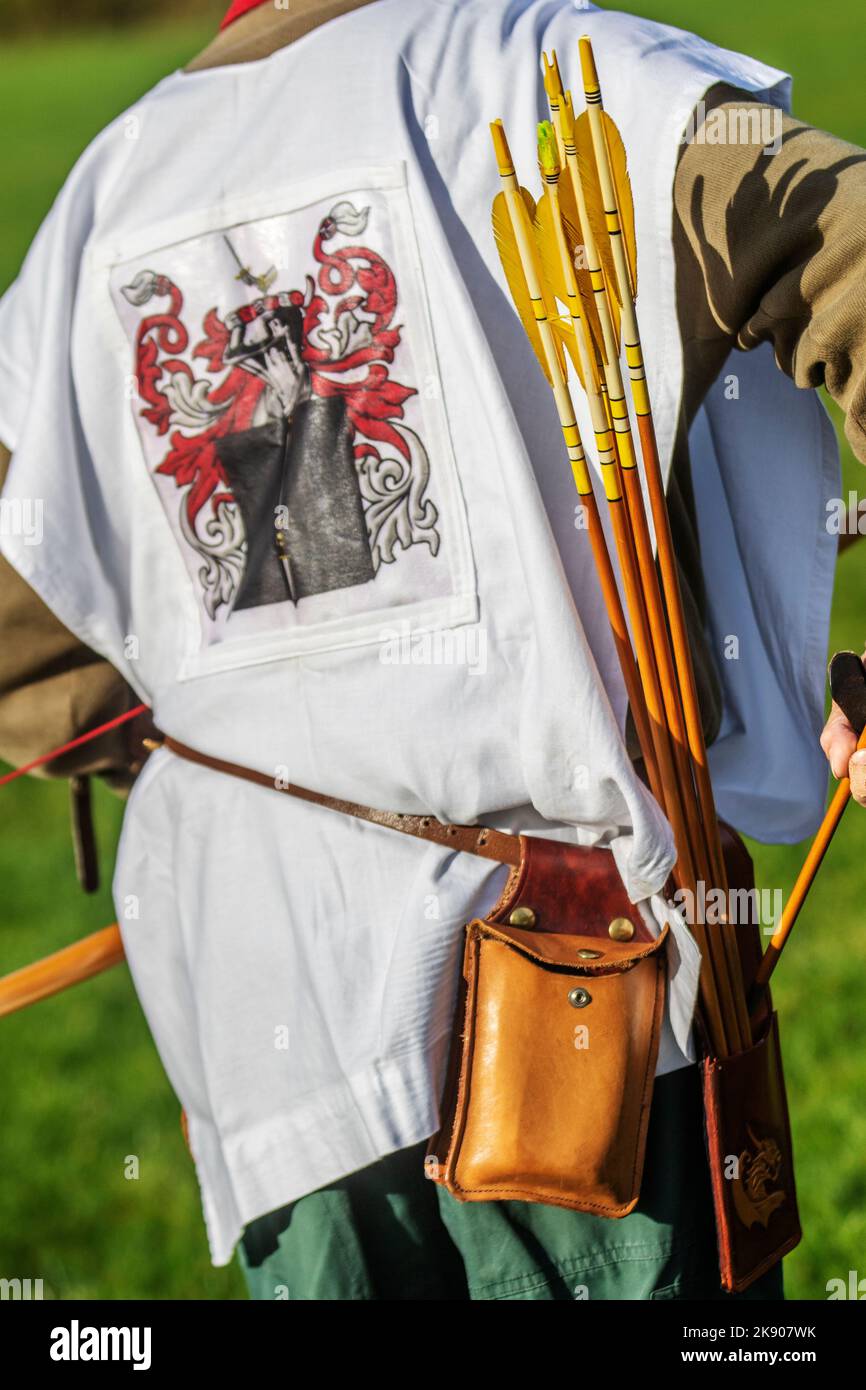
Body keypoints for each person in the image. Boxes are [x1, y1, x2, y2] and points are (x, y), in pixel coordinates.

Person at [1, 0, 865, 1300]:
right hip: (593, 1003)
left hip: (277, 1042)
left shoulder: (98, 196)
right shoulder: (565, 68)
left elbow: (35, 665)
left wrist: (276, 753)